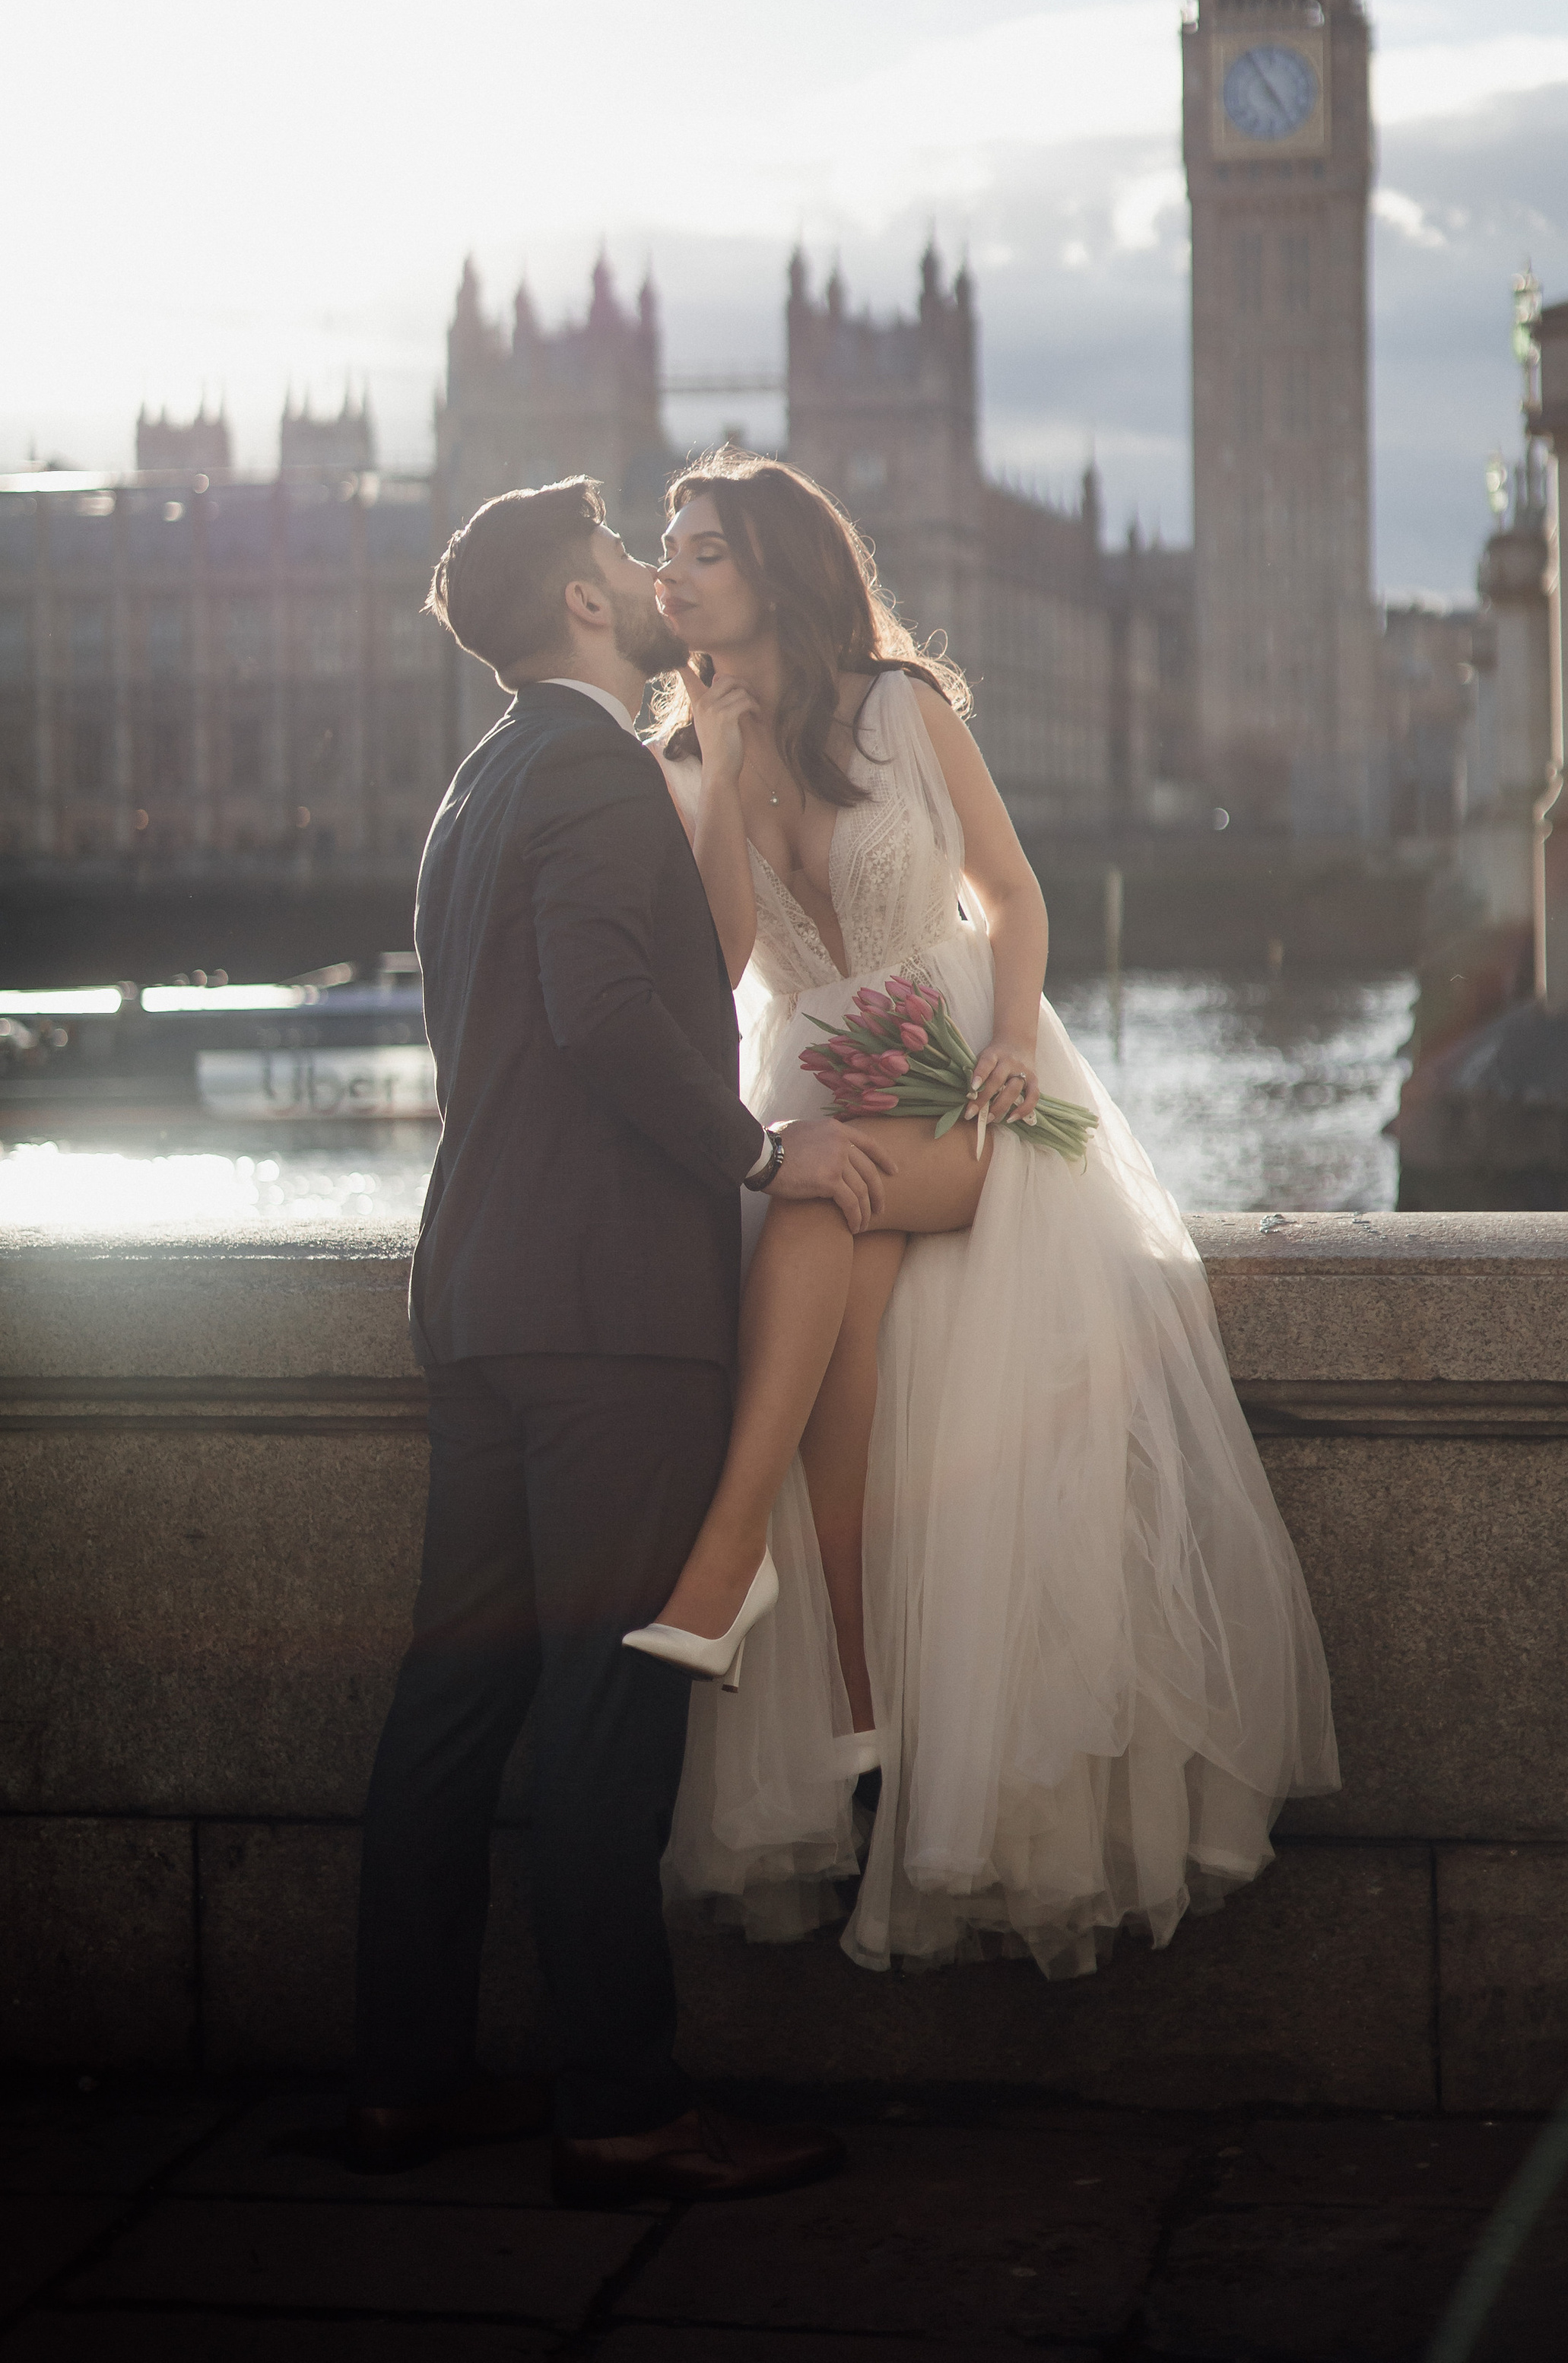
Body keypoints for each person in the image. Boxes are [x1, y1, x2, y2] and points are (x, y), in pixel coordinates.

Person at [636, 450, 1339, 1978]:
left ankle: (737, 1557)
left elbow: (1010, 894)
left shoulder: (904, 707)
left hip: (964, 1076)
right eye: (662, 551)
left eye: (698, 548)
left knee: (838, 1209)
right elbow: (722, 955)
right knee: (837, 1232)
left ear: (776, 565)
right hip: (816, 1069)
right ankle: (849, 1667)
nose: (668, 573)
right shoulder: (690, 743)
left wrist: (1011, 1041)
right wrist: (720, 761)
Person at [349, 474, 891, 2205]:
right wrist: (763, 1147)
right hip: (605, 1322)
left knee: (455, 1702)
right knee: (605, 1705)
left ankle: (411, 2080)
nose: (640, 572)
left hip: (485, 1297)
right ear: (583, 606)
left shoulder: (480, 781)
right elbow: (600, 1018)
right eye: (614, 557)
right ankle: (623, 2102)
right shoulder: (588, 766)